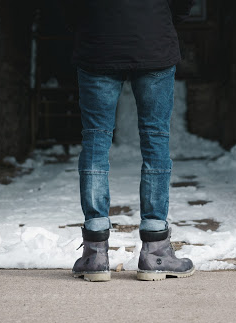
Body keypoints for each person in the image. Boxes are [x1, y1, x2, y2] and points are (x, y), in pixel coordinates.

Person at [65, 0, 195, 281]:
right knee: (156, 139)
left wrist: (88, 21)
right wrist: (161, 18)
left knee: (95, 141)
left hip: (98, 40)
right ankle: (156, 250)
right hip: (152, 38)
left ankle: (95, 253)